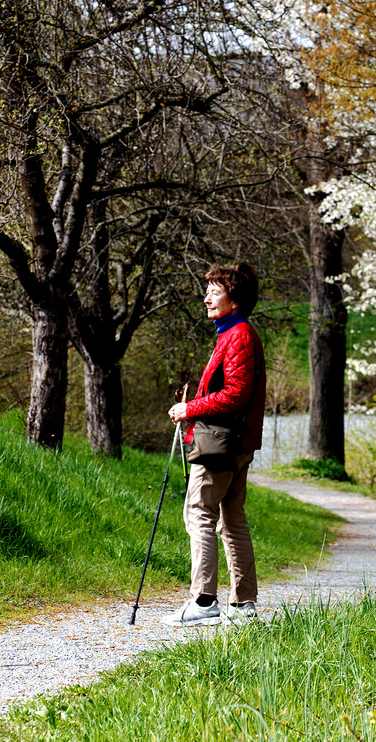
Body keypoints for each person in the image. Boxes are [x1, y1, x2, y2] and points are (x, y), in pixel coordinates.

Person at [160, 262, 267, 627]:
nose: (206, 296)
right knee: (231, 519)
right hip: (237, 441)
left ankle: (204, 601)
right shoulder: (234, 333)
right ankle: (243, 606)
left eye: (214, 291)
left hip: (221, 443)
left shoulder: (238, 335)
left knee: (199, 513)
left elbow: (236, 393)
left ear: (234, 300)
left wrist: (190, 407)